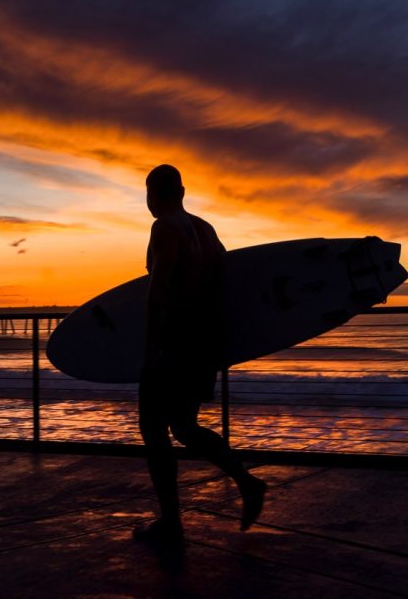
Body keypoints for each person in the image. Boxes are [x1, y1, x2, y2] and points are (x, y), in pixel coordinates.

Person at [134, 164, 266, 545]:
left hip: (172, 344)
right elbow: (227, 283)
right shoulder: (206, 230)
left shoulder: (164, 228)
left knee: (154, 431)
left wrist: (151, 349)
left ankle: (171, 524)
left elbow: (158, 292)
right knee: (185, 428)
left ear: (151, 195)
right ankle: (246, 482)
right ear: (183, 190)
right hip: (203, 344)